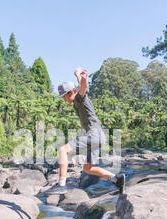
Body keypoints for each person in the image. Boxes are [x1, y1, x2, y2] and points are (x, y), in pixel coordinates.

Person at [44, 67, 125, 195]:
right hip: (99, 136)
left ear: (71, 92)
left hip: (94, 135)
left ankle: (61, 185)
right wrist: (78, 76)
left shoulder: (79, 98)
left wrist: (82, 79)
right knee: (88, 168)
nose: (64, 100)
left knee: (63, 150)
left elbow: (83, 87)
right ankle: (117, 179)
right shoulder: (77, 100)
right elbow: (81, 86)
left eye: (64, 97)